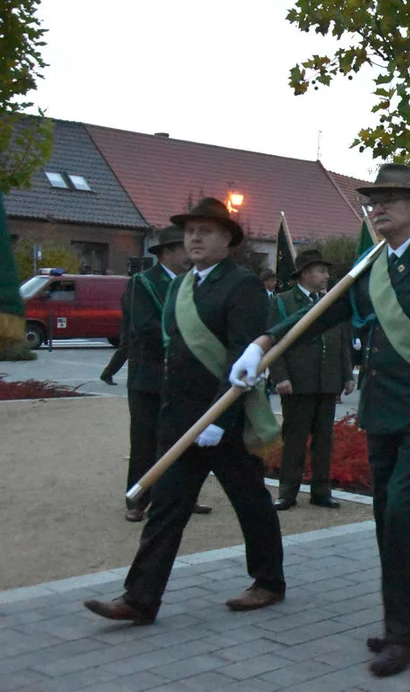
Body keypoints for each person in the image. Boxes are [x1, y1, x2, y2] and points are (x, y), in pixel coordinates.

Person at [231, 164, 410, 678]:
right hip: (383, 412)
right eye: (374, 200)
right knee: (388, 517)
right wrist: (264, 343)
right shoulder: (370, 264)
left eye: (391, 199)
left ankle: (405, 630)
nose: (378, 207)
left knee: (403, 519)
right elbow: (321, 313)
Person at [83, 198, 285, 625]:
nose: (194, 238)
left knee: (250, 502)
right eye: (190, 231)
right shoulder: (181, 286)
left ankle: (268, 581)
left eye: (205, 231)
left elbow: (239, 358)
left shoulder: (243, 285)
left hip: (221, 422)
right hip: (179, 421)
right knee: (166, 508)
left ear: (227, 240)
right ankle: (139, 599)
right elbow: (173, 354)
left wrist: (217, 419)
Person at [110, 227, 211, 522]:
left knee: (181, 439)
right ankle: (138, 500)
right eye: (183, 248)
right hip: (149, 376)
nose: (189, 254)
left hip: (182, 376)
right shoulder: (142, 283)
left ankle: (181, 496)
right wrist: (187, 339)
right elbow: (144, 326)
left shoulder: (190, 283)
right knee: (145, 438)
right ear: (167, 252)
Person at [268, 248, 355, 511]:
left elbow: (340, 339)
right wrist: (280, 376)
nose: (327, 275)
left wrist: (347, 374)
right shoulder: (283, 302)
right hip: (297, 381)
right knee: (294, 439)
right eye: (321, 271)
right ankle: (287, 492)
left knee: (324, 440)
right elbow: (274, 342)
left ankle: (321, 491)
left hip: (327, 381)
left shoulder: (331, 301)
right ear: (305, 273)